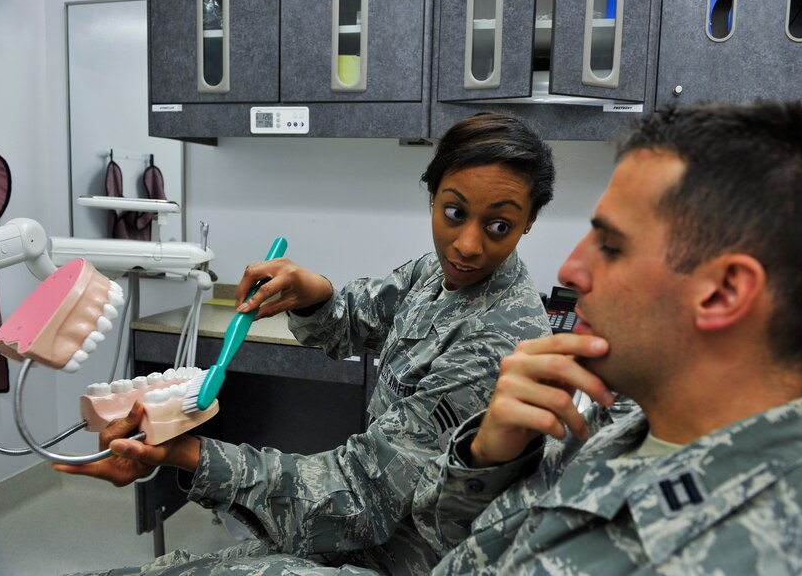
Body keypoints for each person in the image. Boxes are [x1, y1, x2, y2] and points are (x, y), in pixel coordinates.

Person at [54, 112, 556, 575]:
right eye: (453, 213)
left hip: (409, 556)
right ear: (433, 198)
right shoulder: (436, 273)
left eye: (498, 226)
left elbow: (362, 497)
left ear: (529, 222)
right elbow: (354, 319)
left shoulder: (499, 339)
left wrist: (187, 456)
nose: (468, 244)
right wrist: (313, 293)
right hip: (366, 529)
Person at [412, 101, 802, 574]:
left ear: (723, 293)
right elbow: (457, 551)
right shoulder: (620, 420)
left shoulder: (770, 559)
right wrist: (488, 458)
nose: (570, 270)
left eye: (611, 246)